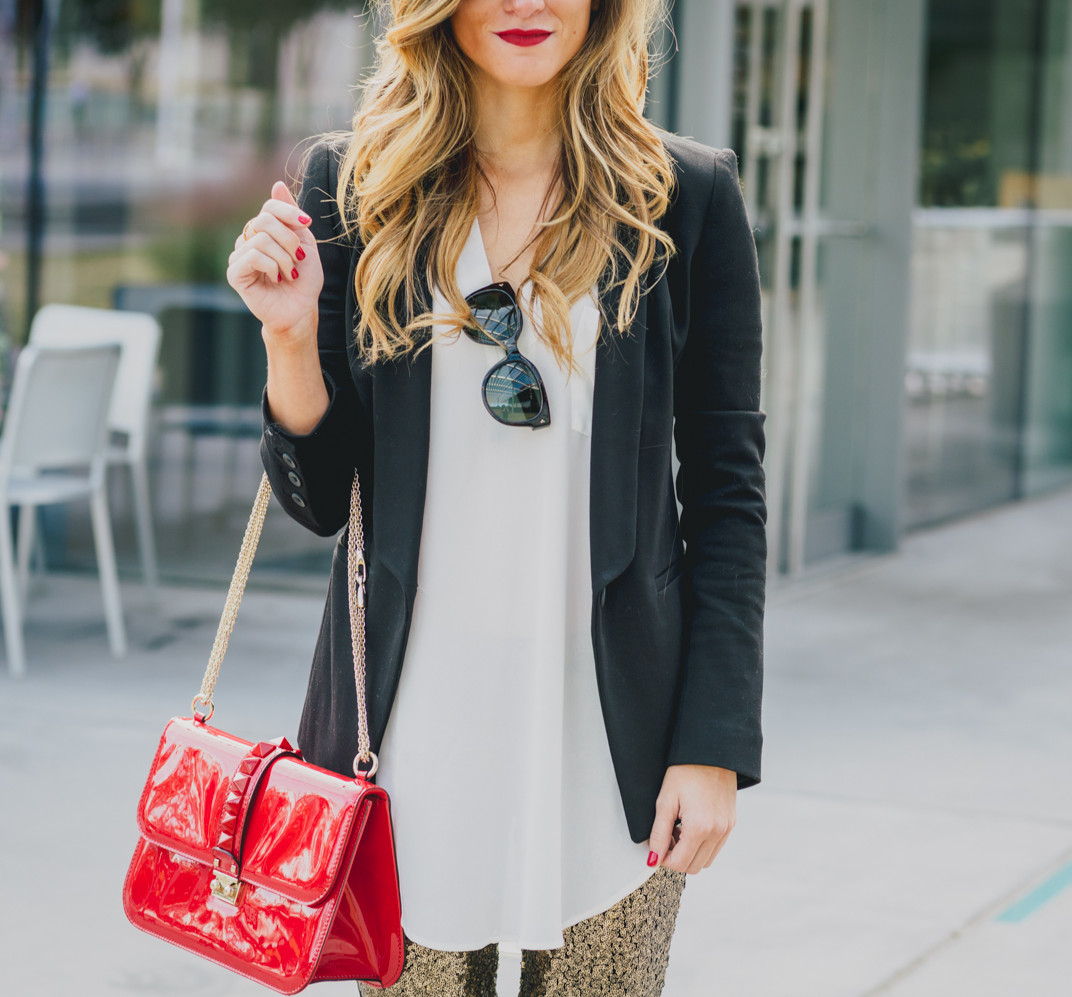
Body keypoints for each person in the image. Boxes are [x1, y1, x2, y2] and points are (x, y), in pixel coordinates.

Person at [226, 1, 766, 995]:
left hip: (616, 734)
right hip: (408, 730)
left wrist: (714, 744)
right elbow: (318, 499)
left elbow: (728, 491)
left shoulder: (684, 196)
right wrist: (290, 338)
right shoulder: (354, 187)